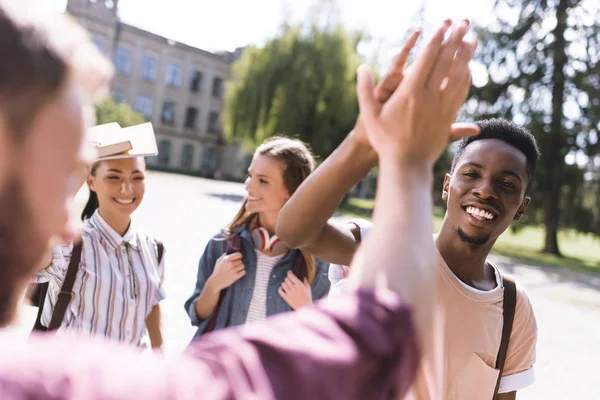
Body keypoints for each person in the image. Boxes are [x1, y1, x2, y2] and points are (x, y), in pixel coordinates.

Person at [0, 1, 476, 396]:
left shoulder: (153, 260)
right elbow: (377, 336)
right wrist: (406, 159)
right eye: (64, 176)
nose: (68, 225)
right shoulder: (75, 382)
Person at [276, 38, 539, 400]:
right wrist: (362, 143)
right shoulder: (382, 246)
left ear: (521, 207)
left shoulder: (513, 306)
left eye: (506, 184)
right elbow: (293, 231)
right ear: (447, 186)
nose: (485, 190)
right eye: (471, 174)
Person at [184, 136, 331, 337]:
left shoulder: (319, 262)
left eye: (262, 181)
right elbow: (197, 316)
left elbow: (324, 340)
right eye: (250, 175)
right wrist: (213, 285)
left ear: (292, 190)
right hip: (221, 365)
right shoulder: (221, 244)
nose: (248, 186)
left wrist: (307, 310)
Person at [33, 154, 166, 348]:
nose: (127, 188)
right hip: (73, 372)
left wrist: (159, 359)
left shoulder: (154, 248)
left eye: (137, 177)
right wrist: (70, 187)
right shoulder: (70, 244)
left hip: (130, 375)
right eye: (114, 177)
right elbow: (28, 263)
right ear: (91, 181)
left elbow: (152, 305)